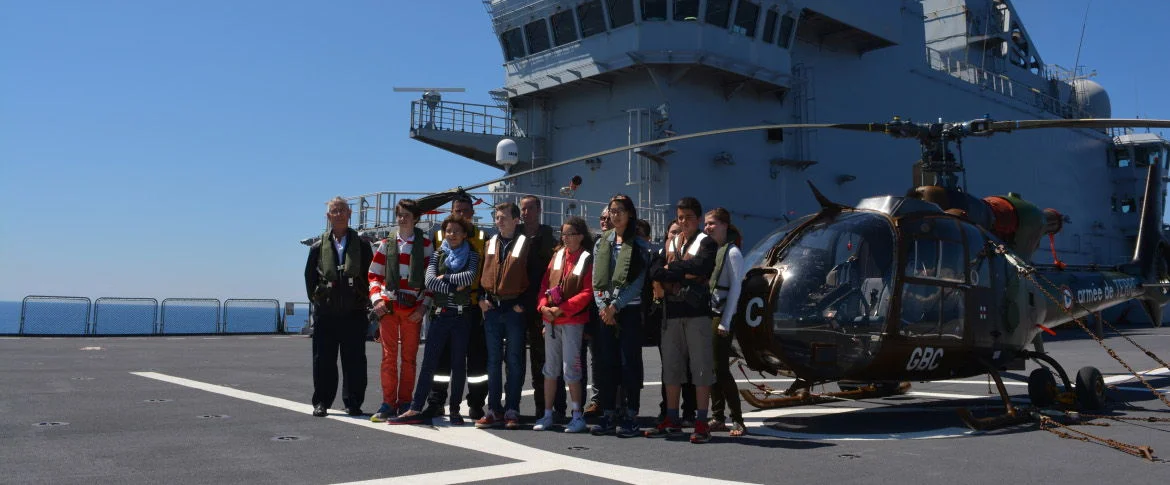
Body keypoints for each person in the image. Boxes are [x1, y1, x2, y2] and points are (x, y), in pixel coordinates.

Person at [389, 216, 480, 425]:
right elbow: (429, 281)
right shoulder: (438, 254)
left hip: (461, 316)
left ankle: (455, 410)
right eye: (448, 231)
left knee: (458, 365)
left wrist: (445, 278)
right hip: (440, 315)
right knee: (429, 363)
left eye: (457, 231)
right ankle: (415, 408)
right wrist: (452, 285)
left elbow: (469, 277)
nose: (452, 234)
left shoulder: (472, 256)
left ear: (465, 234)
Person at [646, 196, 718, 444]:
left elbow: (702, 266)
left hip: (697, 313)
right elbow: (653, 270)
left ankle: (701, 422)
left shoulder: (706, 242)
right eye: (680, 217)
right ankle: (671, 418)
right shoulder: (669, 242)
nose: (683, 222)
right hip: (672, 313)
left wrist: (670, 271)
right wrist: (682, 271)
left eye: (688, 217)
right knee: (672, 369)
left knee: (700, 368)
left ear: (697, 219)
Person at [304, 197, 374, 417]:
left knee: (354, 360)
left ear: (349, 214)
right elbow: (309, 277)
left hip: (354, 312)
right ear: (328, 216)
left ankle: (353, 402)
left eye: (343, 210)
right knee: (323, 360)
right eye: (334, 211)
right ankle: (322, 402)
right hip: (326, 313)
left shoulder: (362, 245)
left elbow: (370, 275)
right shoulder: (317, 247)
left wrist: (365, 302)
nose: (339, 214)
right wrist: (318, 300)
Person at [424, 195, 489, 421]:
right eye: (456, 211)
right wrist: (452, 285)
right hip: (444, 307)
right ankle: (437, 400)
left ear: (472, 213)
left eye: (465, 211)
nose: (461, 215)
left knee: (476, 360)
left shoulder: (483, 238)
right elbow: (430, 276)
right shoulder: (438, 237)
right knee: (441, 358)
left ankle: (476, 403)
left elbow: (481, 274)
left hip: (472, 307)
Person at [368, 199, 434, 422]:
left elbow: (430, 281)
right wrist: (377, 300)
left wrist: (423, 307)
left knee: (409, 359)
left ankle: (406, 402)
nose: (402, 218)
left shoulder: (425, 246)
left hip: (413, 310)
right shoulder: (386, 244)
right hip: (387, 309)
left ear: (415, 218)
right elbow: (374, 275)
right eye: (399, 215)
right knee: (388, 357)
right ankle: (388, 403)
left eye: (406, 215)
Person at [591, 194, 650, 437]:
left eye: (620, 211)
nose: (615, 215)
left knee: (629, 364)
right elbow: (596, 280)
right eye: (612, 211)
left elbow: (637, 283)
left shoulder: (640, 246)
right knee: (607, 364)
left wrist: (615, 306)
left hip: (629, 311)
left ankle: (630, 414)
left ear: (630, 214)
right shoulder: (600, 243)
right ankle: (607, 412)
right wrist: (603, 307)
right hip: (606, 312)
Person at [533, 216, 594, 433]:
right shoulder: (557, 256)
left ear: (580, 236)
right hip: (551, 321)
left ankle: (577, 415)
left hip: (572, 322)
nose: (565, 238)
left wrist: (562, 309)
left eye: (570, 234)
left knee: (571, 369)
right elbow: (544, 285)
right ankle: (548, 414)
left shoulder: (586, 258)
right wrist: (543, 307)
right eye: (564, 234)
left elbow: (588, 292)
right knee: (550, 368)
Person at [476, 202, 532, 430]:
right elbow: (482, 272)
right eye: (497, 217)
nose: (499, 221)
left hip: (514, 310)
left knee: (515, 360)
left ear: (516, 220)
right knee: (493, 362)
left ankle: (512, 409)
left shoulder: (526, 244)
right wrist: (481, 299)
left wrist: (523, 304)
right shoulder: (490, 243)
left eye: (504, 217)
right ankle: (494, 410)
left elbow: (535, 277)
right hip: (492, 309)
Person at [518, 195, 565, 420]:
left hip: (541, 307)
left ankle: (548, 407)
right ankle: (512, 408)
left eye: (529, 209)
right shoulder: (515, 236)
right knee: (514, 360)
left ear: (539, 210)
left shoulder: (549, 239)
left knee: (544, 359)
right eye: (523, 209)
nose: (526, 213)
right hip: (517, 306)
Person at [704, 207, 747, 437]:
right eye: (706, 224)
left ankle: (738, 419)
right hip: (710, 313)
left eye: (712, 223)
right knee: (712, 368)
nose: (707, 227)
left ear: (724, 225)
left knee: (720, 369)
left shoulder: (732, 253)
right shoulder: (714, 251)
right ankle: (718, 417)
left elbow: (735, 290)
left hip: (721, 315)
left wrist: (726, 322)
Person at [651, 221, 697, 426]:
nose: (677, 235)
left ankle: (689, 411)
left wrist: (671, 270)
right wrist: (674, 272)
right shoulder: (661, 253)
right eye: (673, 232)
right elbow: (655, 272)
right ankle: (667, 410)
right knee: (668, 367)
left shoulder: (693, 253)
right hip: (666, 315)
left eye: (680, 232)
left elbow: (694, 272)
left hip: (689, 314)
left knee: (689, 366)